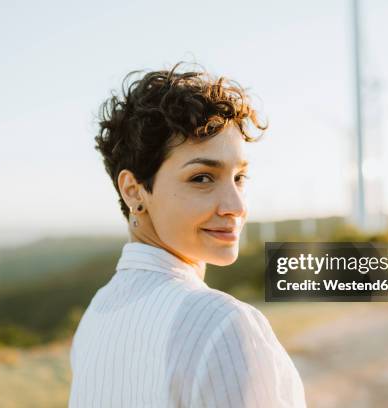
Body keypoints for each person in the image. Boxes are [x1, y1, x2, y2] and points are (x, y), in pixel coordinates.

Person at [68, 63, 307, 407]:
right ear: (134, 191)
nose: (236, 206)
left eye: (239, 178)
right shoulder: (223, 324)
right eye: (202, 178)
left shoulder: (96, 316)